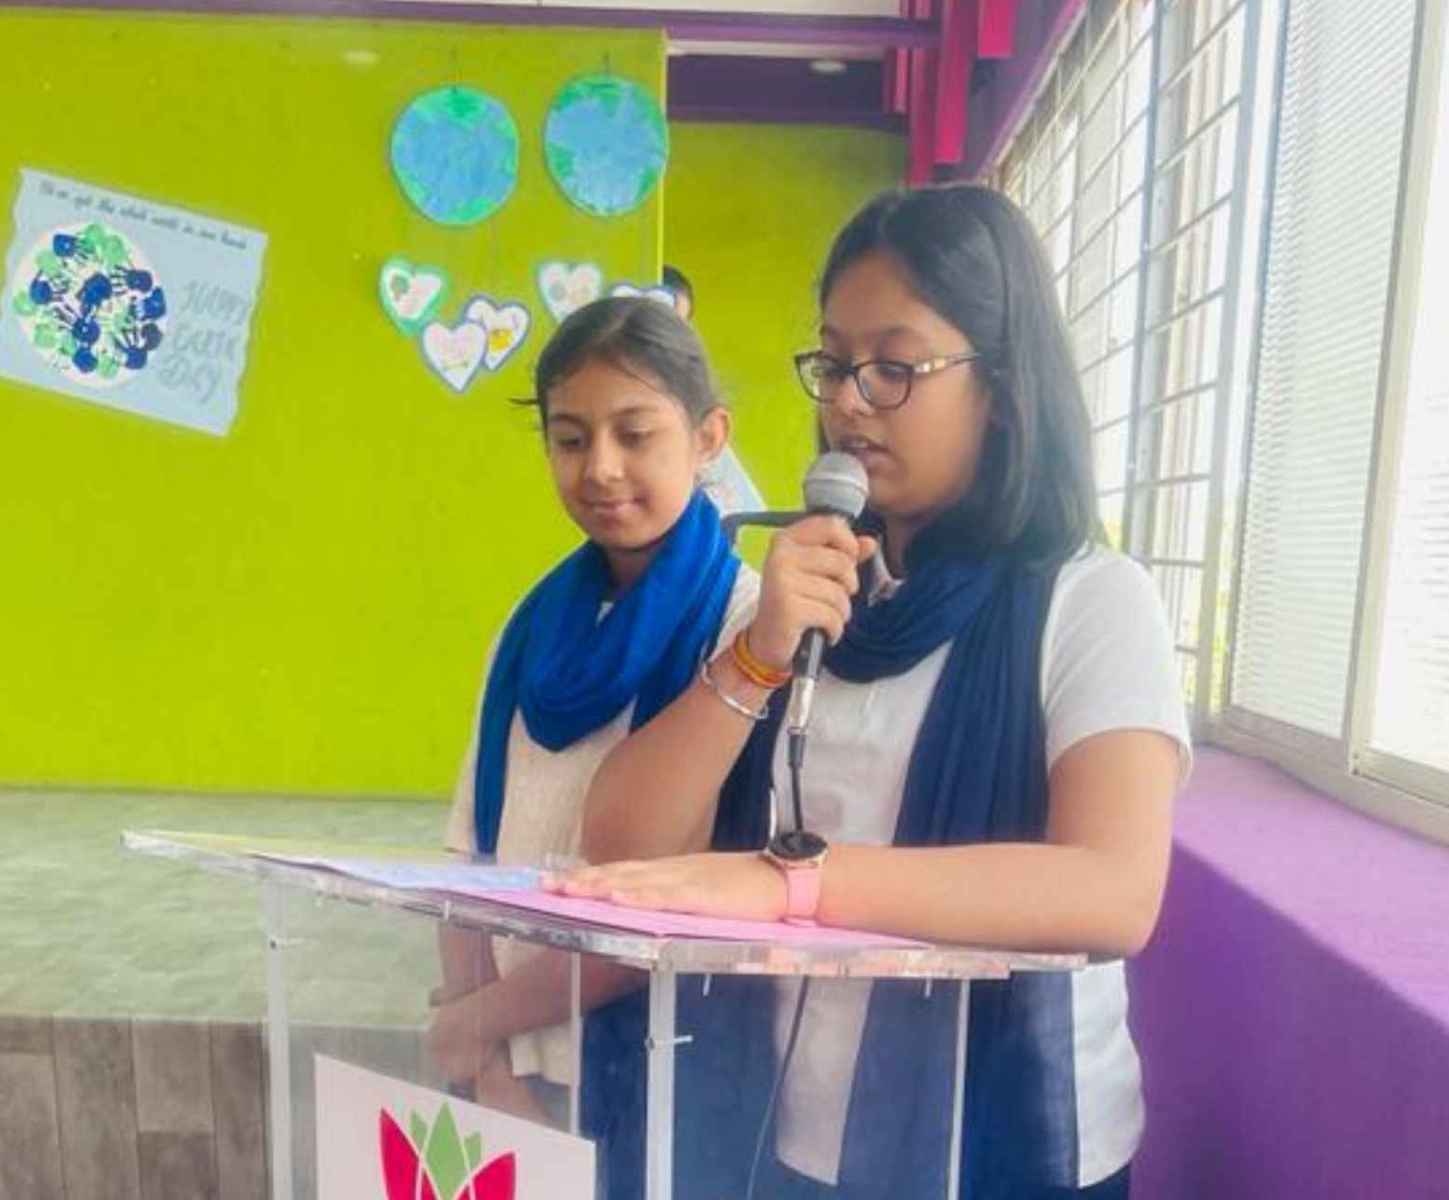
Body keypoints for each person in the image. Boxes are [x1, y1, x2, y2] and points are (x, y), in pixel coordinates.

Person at [557, 185, 1191, 1198]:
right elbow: (625, 842)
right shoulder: (801, 595)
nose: (847, 401)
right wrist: (757, 654)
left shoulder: (1090, 600)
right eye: (834, 363)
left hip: (1002, 1148)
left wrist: (790, 883)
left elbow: (1111, 892)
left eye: (894, 367)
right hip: (786, 1128)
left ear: (1001, 387)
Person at [431, 295, 759, 1125]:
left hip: (656, 1067)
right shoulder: (530, 623)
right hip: (507, 1066)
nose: (601, 468)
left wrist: (478, 1022)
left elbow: (675, 887)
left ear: (709, 437)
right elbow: (469, 847)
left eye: (635, 434)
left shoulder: (748, 630)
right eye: (570, 439)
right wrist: (488, 1066)